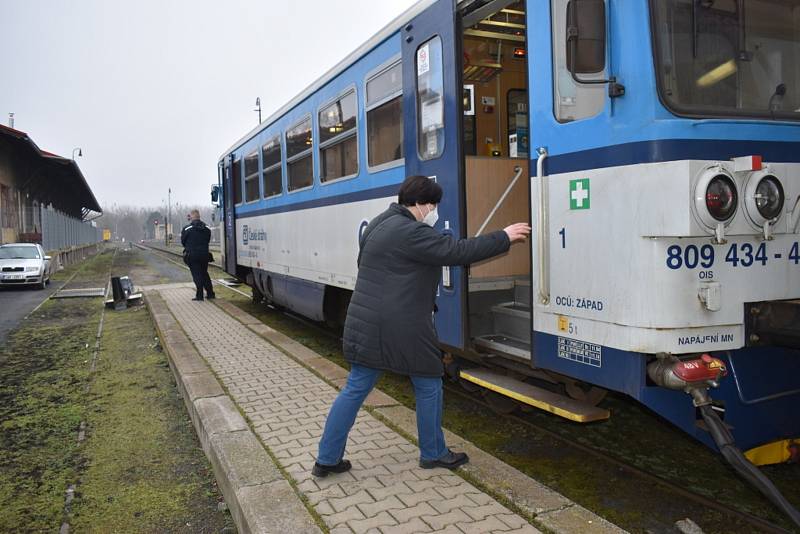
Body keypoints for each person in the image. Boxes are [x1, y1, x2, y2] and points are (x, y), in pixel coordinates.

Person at [313, 175, 531, 477]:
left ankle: (326, 459)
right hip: (401, 325)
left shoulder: (379, 223)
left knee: (355, 388)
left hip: (364, 320)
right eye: (432, 205)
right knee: (429, 383)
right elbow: (458, 252)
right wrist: (504, 236)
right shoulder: (411, 232)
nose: (433, 211)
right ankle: (433, 453)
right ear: (420, 204)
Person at [181, 209, 216, 301]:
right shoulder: (207, 228)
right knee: (204, 273)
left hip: (192, 255)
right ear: (199, 217)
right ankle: (210, 293)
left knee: (197, 275)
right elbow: (208, 240)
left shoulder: (187, 229)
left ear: (192, 217)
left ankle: (199, 295)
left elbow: (183, 242)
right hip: (204, 255)